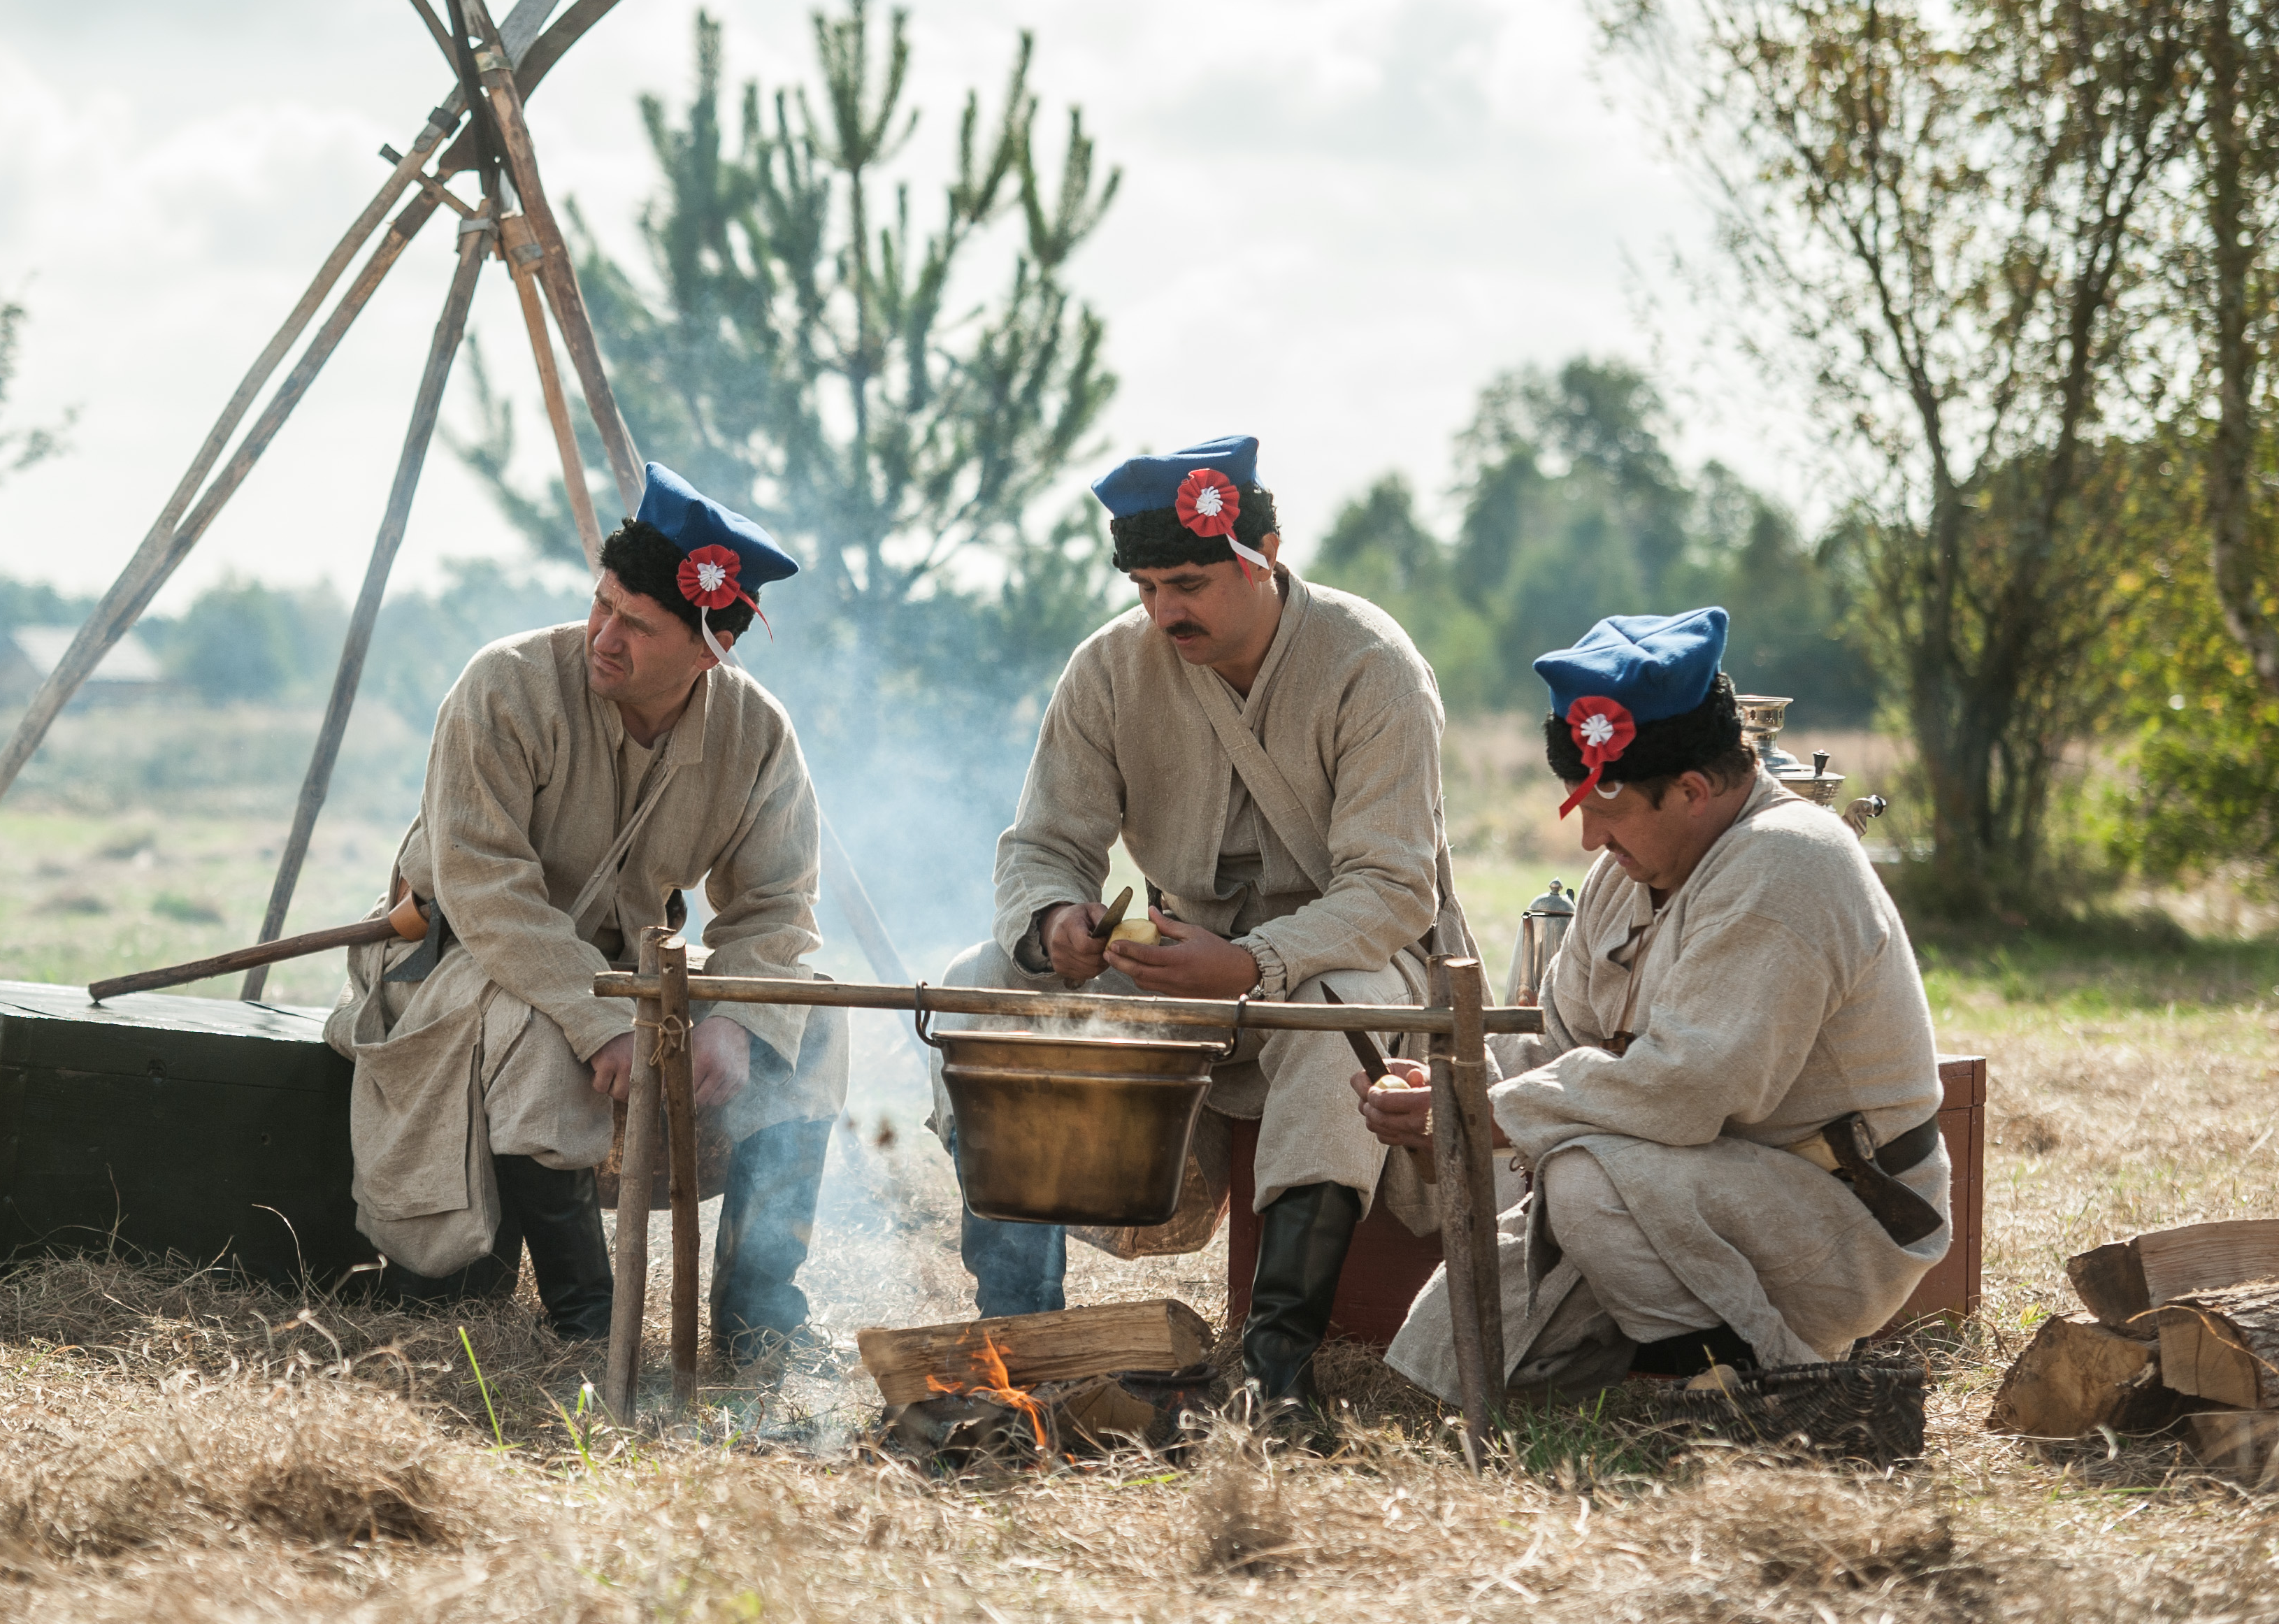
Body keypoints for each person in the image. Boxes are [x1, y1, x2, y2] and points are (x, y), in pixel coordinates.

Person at [941, 435, 1473, 1410]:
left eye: (1187, 582)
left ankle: (1276, 1379)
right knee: (983, 986)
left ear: (1263, 553)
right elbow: (1044, 845)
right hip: (1178, 968)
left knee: (1329, 1026)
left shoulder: (1372, 666)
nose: (1163, 610)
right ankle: (1021, 1334)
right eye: (1146, 587)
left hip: (1348, 960)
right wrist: (1057, 921)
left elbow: (1394, 893)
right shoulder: (1109, 667)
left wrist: (1257, 961)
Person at [326, 464, 845, 1367]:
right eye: (602, 604)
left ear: (709, 650)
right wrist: (601, 1020)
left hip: (628, 974)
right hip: (464, 965)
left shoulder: (756, 734)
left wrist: (737, 1018)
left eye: (638, 626)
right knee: (538, 1027)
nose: (604, 637)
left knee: (816, 1022)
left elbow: (775, 906)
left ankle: (760, 1316)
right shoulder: (504, 688)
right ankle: (584, 1316)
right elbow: (487, 888)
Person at [1364, 608, 1949, 1399]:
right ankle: (1670, 1370)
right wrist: (1454, 1090)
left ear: (1691, 790)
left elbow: (1690, 1089)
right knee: (1433, 1380)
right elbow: (1556, 1049)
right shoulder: (1623, 874)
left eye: (1605, 814)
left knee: (1581, 1179)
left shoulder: (1788, 862)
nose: (1587, 844)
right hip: (1666, 1186)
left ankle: (1762, 1394)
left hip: (1839, 1218)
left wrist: (1491, 1111)